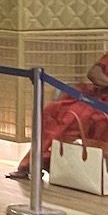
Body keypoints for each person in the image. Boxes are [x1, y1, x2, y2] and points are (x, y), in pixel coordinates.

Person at [9, 51, 108, 179]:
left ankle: (53, 161)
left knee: (92, 118)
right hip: (97, 97)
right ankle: (39, 160)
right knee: (56, 111)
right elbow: (94, 73)